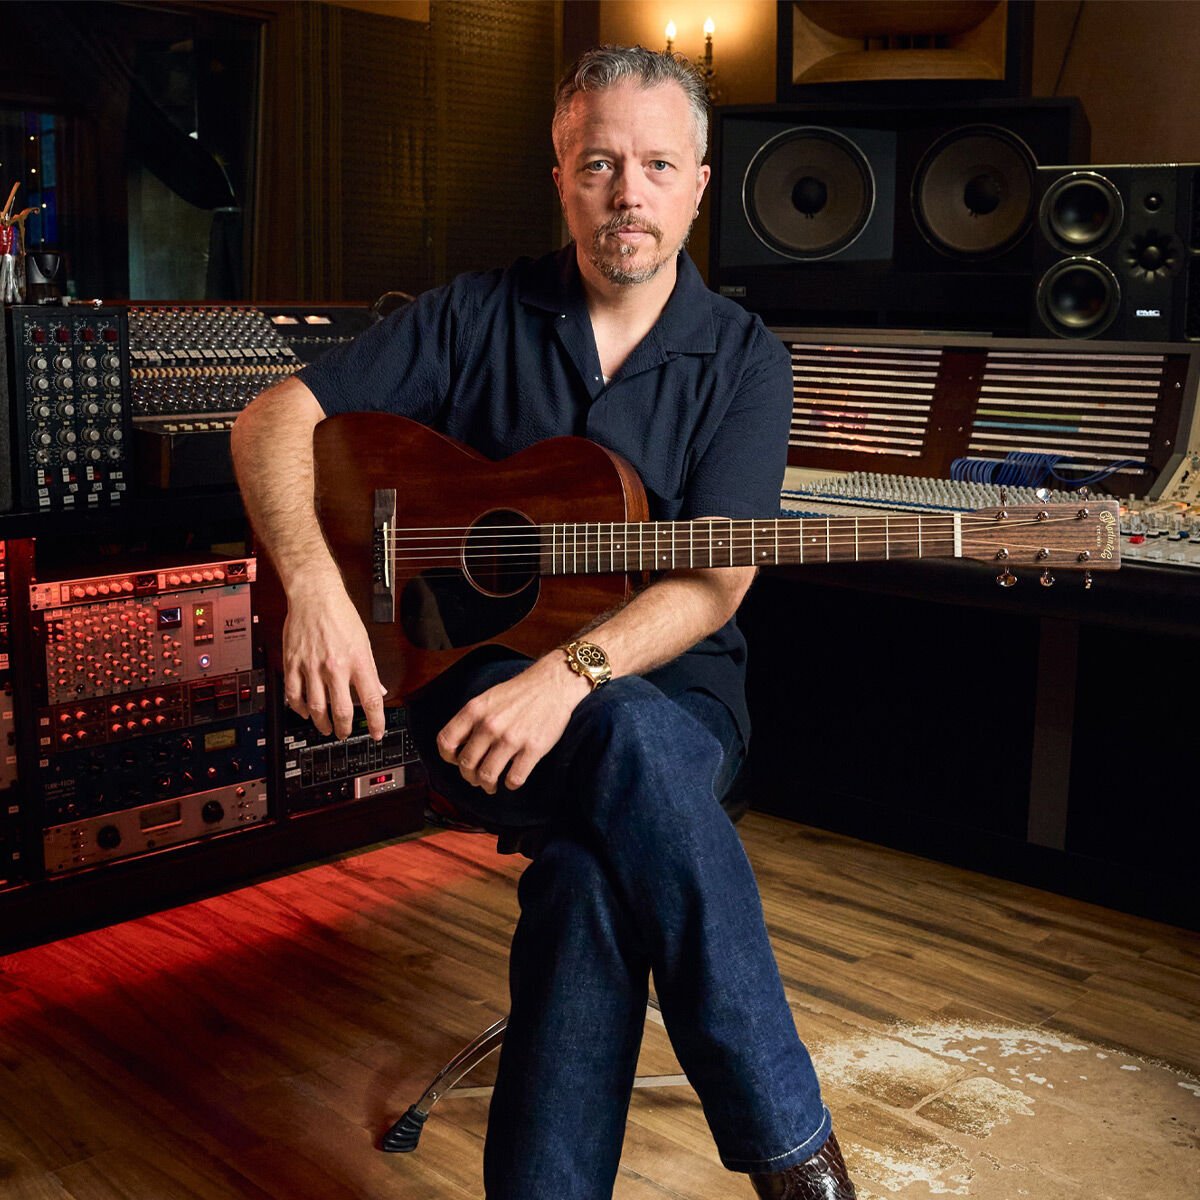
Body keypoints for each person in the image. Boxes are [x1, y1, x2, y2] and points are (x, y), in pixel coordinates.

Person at [231, 45, 857, 1200]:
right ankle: (790, 1150)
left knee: (591, 864)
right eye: (601, 163)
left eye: (658, 165)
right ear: (560, 174)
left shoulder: (742, 360)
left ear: (701, 181)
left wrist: (572, 671)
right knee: (625, 757)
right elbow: (274, 419)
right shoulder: (473, 314)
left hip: (678, 700)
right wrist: (316, 586)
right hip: (474, 692)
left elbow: (718, 584)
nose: (631, 192)